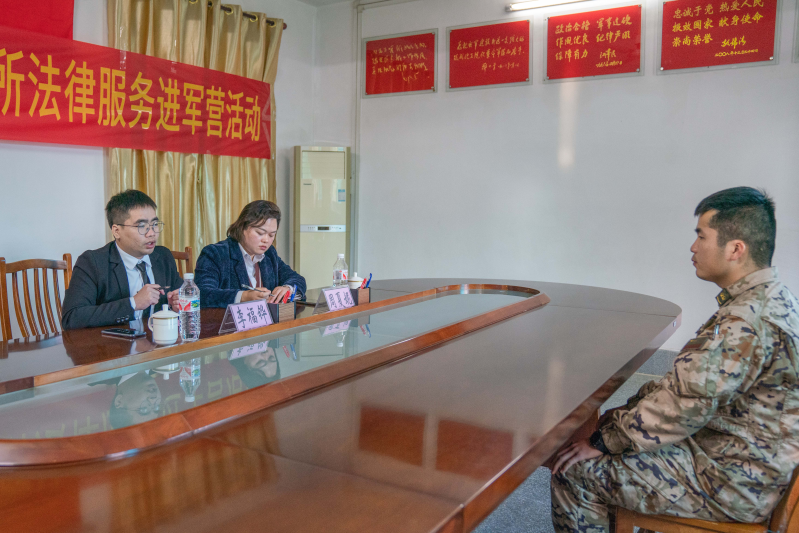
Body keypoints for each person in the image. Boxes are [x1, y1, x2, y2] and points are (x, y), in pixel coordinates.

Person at [551, 187, 799, 531]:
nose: (693, 247)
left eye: (702, 236)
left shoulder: (748, 320)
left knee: (574, 471)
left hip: (733, 481)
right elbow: (683, 387)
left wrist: (604, 440)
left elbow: (681, 407)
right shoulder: (770, 299)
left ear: (735, 249)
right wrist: (618, 420)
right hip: (740, 457)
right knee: (617, 437)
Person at [62, 190, 183, 330]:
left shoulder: (163, 257)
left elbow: (179, 298)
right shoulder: (92, 262)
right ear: (116, 231)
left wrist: (176, 304)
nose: (152, 233)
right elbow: (72, 318)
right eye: (141, 226)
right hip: (113, 343)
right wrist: (133, 303)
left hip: (159, 341)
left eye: (155, 224)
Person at [194, 200, 306, 308]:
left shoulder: (269, 253)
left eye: (272, 235)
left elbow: (297, 279)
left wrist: (288, 288)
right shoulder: (215, 254)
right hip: (226, 320)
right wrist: (243, 297)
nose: (266, 240)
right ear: (243, 227)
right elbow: (203, 293)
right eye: (260, 233)